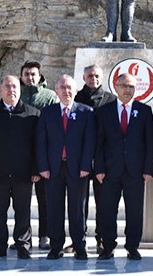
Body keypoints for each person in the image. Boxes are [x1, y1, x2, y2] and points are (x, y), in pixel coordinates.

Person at [0, 75, 41, 260]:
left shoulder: (33, 114)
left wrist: (35, 170)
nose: (11, 90)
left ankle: (23, 245)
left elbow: (38, 145)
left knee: (23, 211)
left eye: (14, 86)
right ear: (0, 90)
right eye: (7, 86)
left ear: (20, 90)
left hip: (24, 174)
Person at [94, 73, 153, 261]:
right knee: (107, 210)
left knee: (134, 211)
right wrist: (99, 168)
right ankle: (108, 246)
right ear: (116, 86)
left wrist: (148, 169)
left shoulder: (144, 111)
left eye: (131, 87)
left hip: (135, 171)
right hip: (110, 171)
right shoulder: (104, 111)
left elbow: (149, 143)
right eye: (124, 86)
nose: (128, 90)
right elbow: (98, 143)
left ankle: (132, 246)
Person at [36, 75, 95, 260]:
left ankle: (79, 245)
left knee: (77, 209)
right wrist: (43, 166)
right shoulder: (47, 112)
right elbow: (41, 141)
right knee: (54, 207)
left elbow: (89, 142)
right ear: (56, 90)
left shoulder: (86, 112)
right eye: (62, 87)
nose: (66, 91)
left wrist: (86, 165)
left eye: (69, 87)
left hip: (78, 168)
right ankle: (56, 246)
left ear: (76, 90)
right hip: (53, 168)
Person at [72, 64, 116, 254]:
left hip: (102, 158)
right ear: (84, 77)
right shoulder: (75, 98)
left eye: (97, 75)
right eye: (90, 75)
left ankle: (101, 239)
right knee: (79, 203)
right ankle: (78, 239)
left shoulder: (110, 100)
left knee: (102, 201)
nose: (93, 79)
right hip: (79, 156)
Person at [19, 61, 59, 250]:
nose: (30, 77)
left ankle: (45, 235)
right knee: (21, 201)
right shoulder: (15, 94)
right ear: (21, 76)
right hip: (21, 156)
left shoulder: (50, 97)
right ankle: (23, 238)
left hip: (45, 156)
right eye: (27, 74)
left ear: (40, 76)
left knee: (45, 199)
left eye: (33, 74)